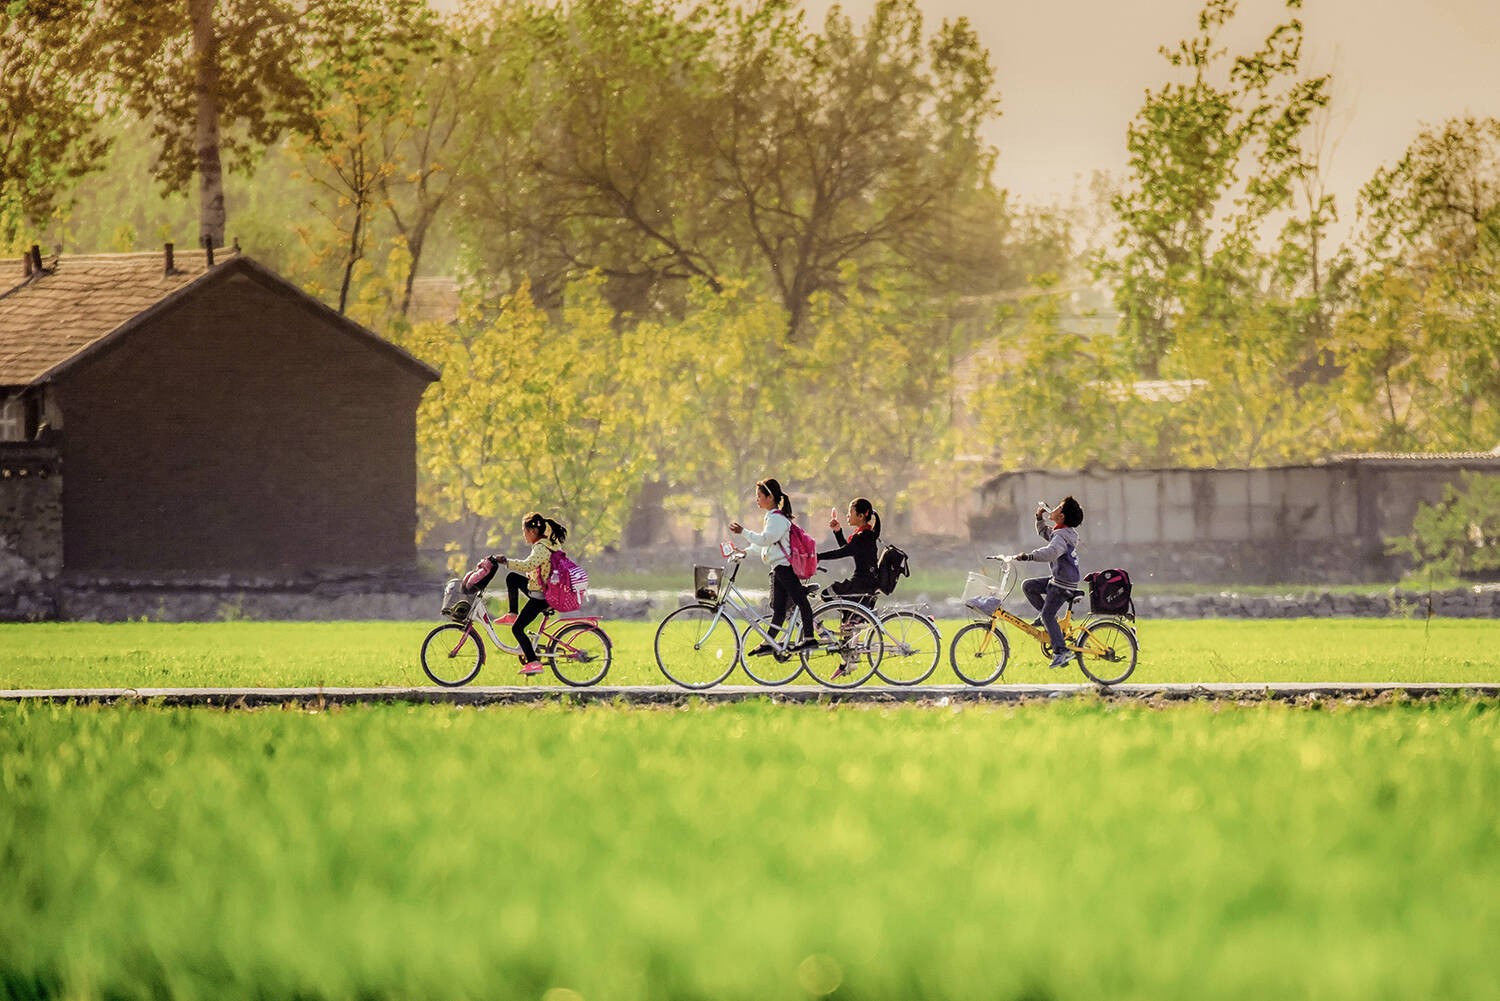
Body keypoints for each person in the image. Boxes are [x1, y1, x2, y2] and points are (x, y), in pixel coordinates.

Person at [728, 478, 817, 656]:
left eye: (759, 496)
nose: (757, 499)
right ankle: (769, 642)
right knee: (779, 610)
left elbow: (765, 539)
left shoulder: (777, 518)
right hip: (778, 568)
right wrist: (745, 551)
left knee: (801, 601)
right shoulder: (772, 517)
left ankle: (809, 638)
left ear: (769, 497)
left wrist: (743, 532)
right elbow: (767, 544)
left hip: (785, 568)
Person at [1014, 495, 1084, 668]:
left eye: (1058, 507)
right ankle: (1047, 618)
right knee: (1029, 586)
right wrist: (1039, 518)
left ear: (1061, 516)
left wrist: (1029, 556)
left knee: (1047, 615)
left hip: (1062, 583)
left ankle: (1061, 651)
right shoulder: (1061, 533)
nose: (1053, 508)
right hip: (1059, 580)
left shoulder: (1061, 537)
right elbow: (1045, 533)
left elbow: (1051, 552)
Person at [494, 511, 568, 676]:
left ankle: (534, 662)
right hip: (540, 589)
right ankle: (512, 614)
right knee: (512, 578)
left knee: (517, 629)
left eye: (524, 531)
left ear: (533, 531)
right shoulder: (550, 544)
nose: (524, 535)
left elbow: (529, 565)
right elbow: (538, 568)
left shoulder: (541, 547)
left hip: (542, 596)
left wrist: (506, 561)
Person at [820, 497, 882, 607]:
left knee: (827, 594)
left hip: (861, 584)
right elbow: (848, 549)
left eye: (850, 512)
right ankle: (851, 615)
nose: (847, 515)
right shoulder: (866, 534)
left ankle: (852, 614)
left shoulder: (863, 536)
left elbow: (843, 551)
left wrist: (817, 556)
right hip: (866, 583)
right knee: (845, 605)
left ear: (861, 516)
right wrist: (838, 531)